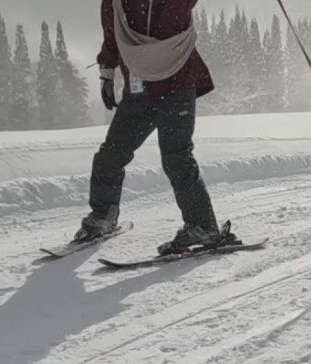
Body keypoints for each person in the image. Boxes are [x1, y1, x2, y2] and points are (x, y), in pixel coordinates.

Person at [74, 0, 239, 255]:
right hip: (139, 89)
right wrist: (106, 73)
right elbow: (112, 33)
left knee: (176, 157)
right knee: (111, 155)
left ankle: (202, 227)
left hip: (178, 84)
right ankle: (103, 217)